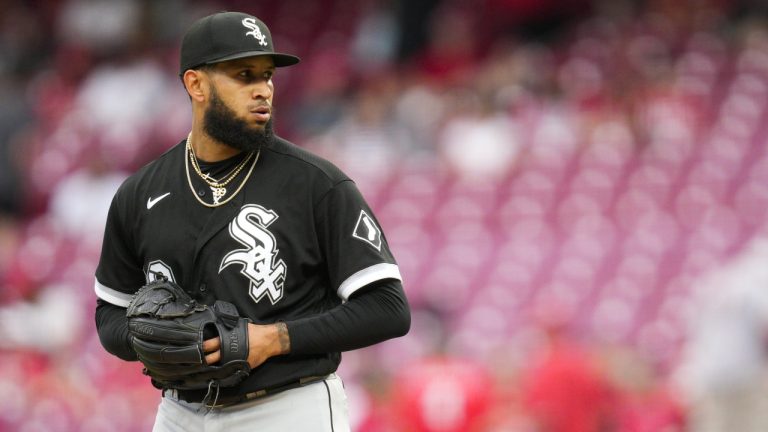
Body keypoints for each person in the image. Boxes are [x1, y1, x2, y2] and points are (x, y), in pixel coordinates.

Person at [93, 11, 411, 432]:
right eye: (244, 75)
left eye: (267, 76)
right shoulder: (139, 193)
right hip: (180, 412)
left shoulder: (316, 184)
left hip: (287, 406)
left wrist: (274, 338)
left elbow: (388, 309)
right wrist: (147, 340)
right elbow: (109, 314)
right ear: (196, 84)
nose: (263, 90)